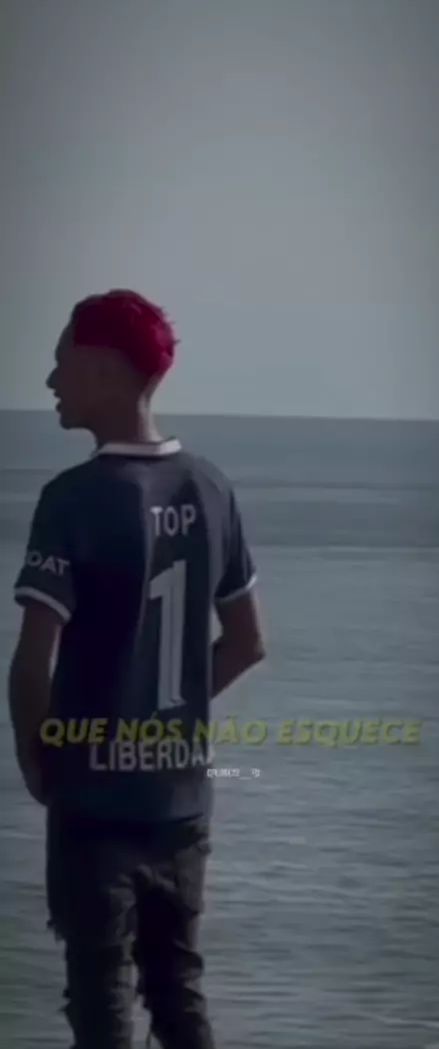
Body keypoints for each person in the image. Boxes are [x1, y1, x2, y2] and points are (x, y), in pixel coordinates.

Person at [8, 288, 266, 1049]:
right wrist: (161, 720)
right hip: (179, 801)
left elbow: (33, 656)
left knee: (100, 998)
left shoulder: (73, 499)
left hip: (94, 800)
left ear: (105, 371)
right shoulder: (210, 486)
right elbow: (247, 642)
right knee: (178, 993)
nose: (50, 381)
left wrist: (37, 756)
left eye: (62, 363)